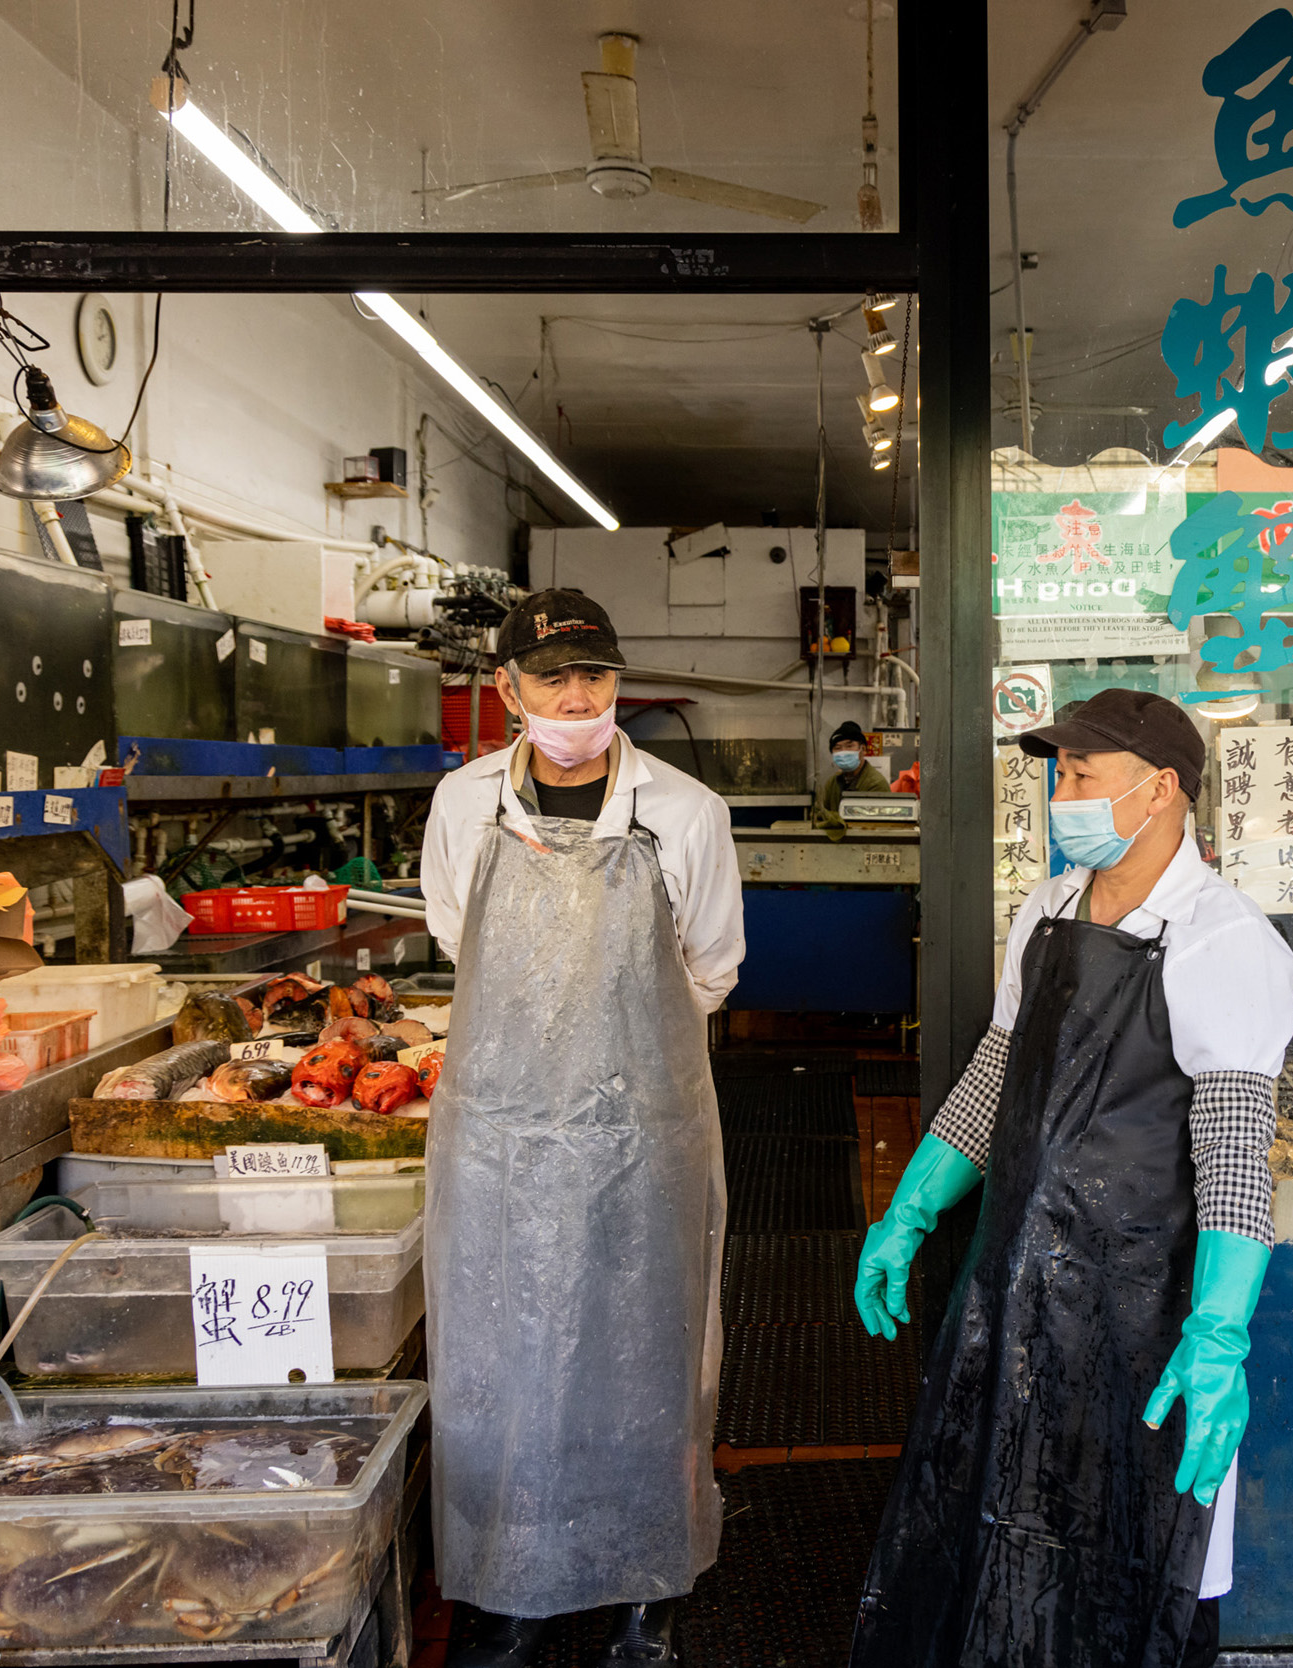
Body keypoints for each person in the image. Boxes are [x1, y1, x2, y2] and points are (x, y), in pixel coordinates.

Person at [850, 688, 1293, 1668]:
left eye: (1084, 775)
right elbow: (990, 1081)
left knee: (1140, 1560)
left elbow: (1232, 1158)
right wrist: (909, 1212)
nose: (1064, 793)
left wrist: (1216, 1335)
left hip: (1139, 1322)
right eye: (1057, 774)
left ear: (1160, 792)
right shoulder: (1045, 912)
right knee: (999, 1539)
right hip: (1016, 1301)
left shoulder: (1220, 942)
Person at [419, 588, 744, 1668]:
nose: (575, 695)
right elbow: (459, 944)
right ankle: (506, 1586)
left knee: (649, 1347)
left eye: (594, 676)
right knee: (499, 1354)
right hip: (500, 1140)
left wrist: (613, 1067)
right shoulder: (463, 804)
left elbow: (709, 969)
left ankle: (646, 1585)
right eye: (552, 677)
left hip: (643, 1137)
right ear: (505, 688)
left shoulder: (685, 811)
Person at [815, 720, 891, 833]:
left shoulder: (876, 784)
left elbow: (877, 826)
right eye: (837, 748)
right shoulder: (832, 782)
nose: (843, 752)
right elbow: (820, 814)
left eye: (849, 746)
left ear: (863, 749)